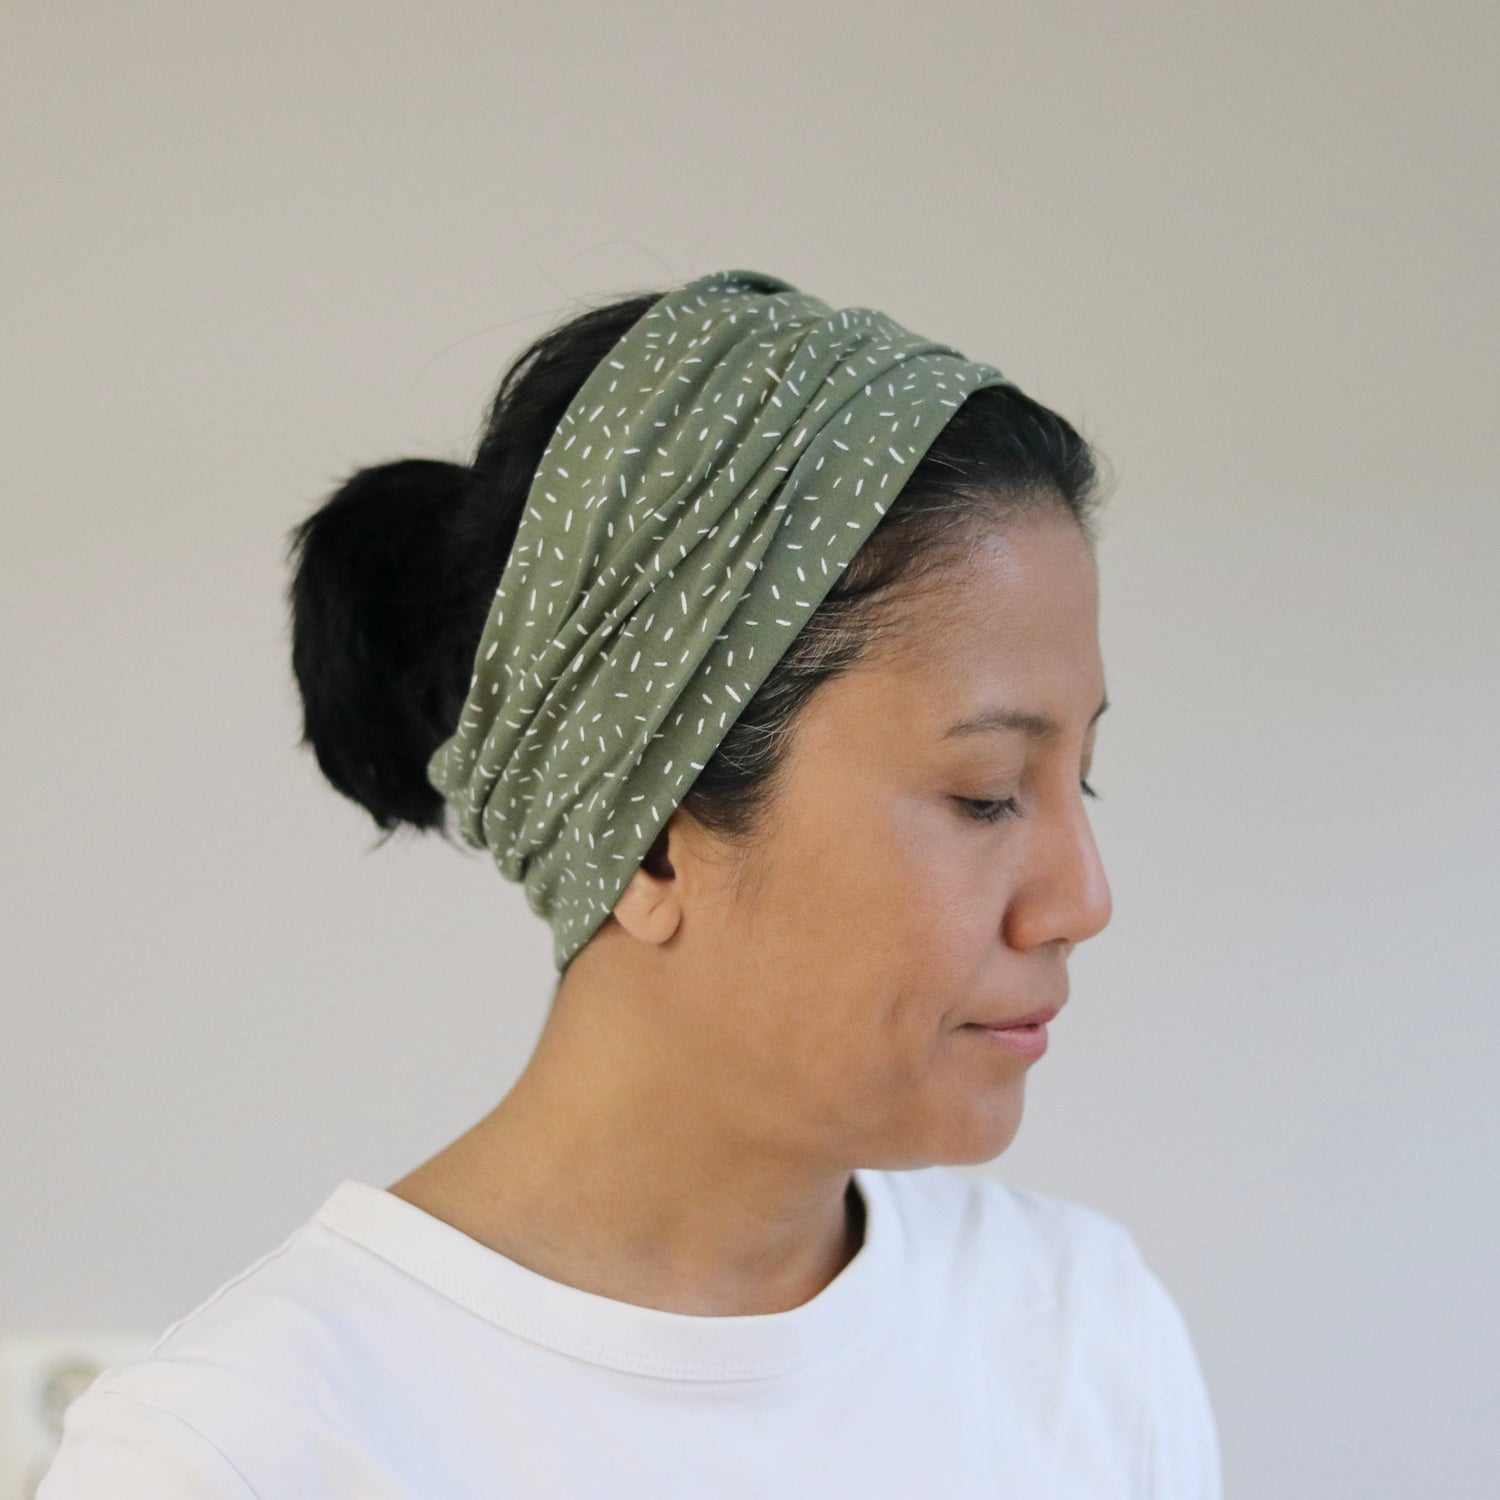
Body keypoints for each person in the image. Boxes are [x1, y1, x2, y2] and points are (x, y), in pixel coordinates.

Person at [39, 268, 1223, 1497]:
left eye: (1077, 781)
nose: (1082, 901)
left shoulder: (1081, 1333)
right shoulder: (246, 1451)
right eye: (985, 794)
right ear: (654, 834)